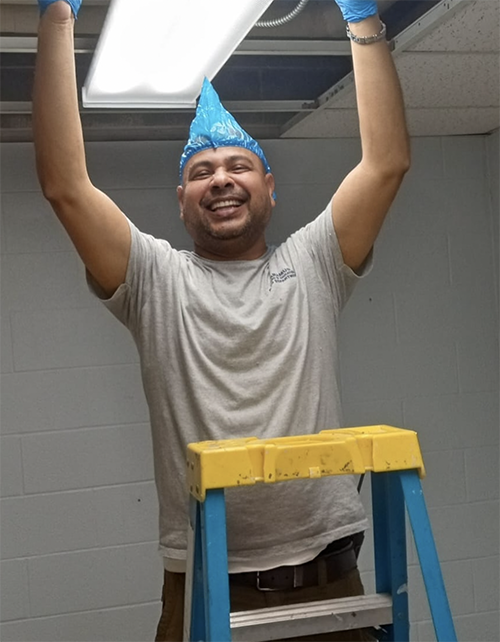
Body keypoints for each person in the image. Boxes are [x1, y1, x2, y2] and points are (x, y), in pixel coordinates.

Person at [33, 0, 410, 640]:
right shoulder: (155, 279)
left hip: (330, 578)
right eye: (201, 172)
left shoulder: (314, 262)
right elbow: (66, 186)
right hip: (205, 584)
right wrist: (56, 20)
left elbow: (385, 164)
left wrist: (365, 24)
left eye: (238, 166)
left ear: (270, 186)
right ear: (182, 202)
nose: (220, 180)